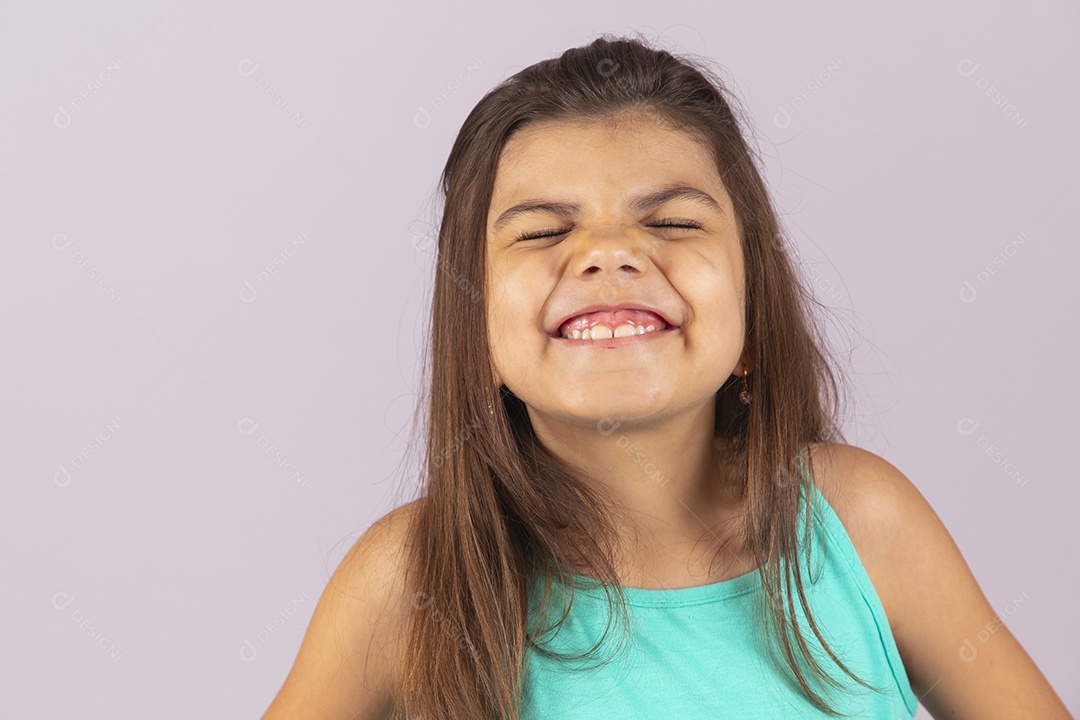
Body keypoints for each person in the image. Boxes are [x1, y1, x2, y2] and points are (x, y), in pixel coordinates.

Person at [261, 34, 1072, 720]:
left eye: (674, 222)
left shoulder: (862, 525)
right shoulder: (406, 581)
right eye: (545, 231)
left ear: (753, 306)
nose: (610, 253)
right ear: (474, 334)